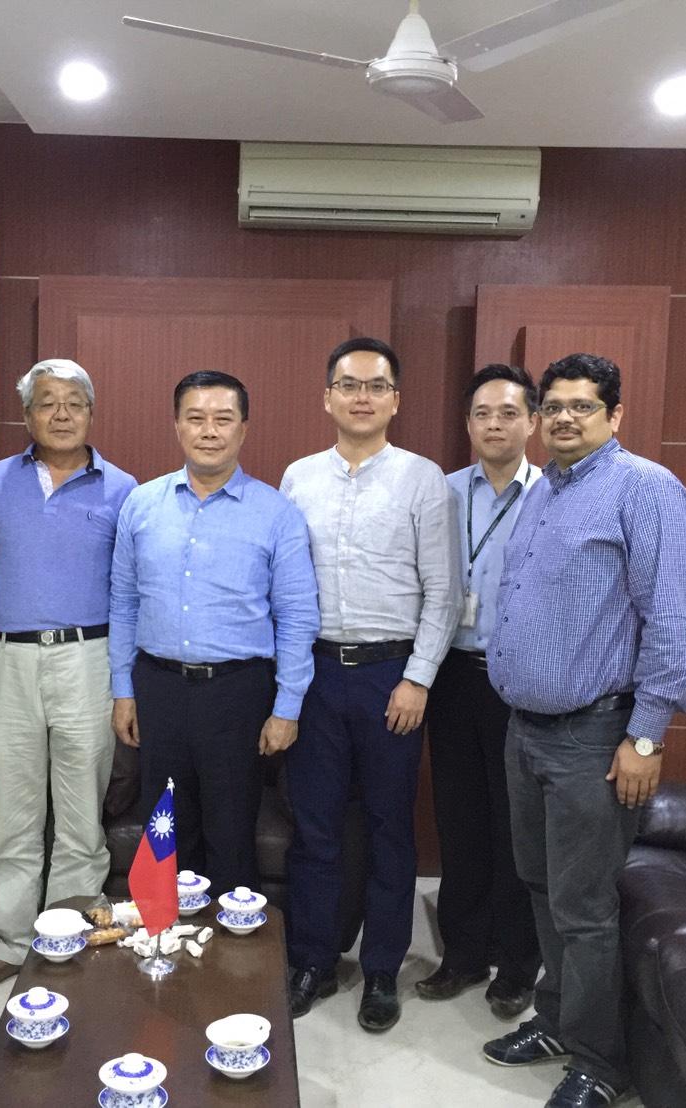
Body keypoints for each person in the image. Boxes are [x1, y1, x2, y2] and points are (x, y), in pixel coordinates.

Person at [481, 353, 686, 1108]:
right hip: (526, 729)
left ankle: (600, 1065)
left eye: (583, 406)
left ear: (615, 415)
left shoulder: (644, 489)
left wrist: (645, 737)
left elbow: (670, 617)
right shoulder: (543, 492)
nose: (565, 418)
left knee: (585, 907)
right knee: (542, 887)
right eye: (555, 407)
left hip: (593, 735)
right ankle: (557, 1022)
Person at [280, 337, 460, 1033]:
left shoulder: (423, 479)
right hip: (317, 673)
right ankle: (313, 960)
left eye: (376, 386)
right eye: (348, 385)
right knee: (315, 828)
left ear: (395, 400)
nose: (361, 396)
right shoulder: (298, 477)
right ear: (326, 397)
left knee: (390, 829)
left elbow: (442, 592)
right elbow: (287, 589)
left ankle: (382, 967)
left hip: (393, 677)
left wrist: (417, 680)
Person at [0, 359, 137, 995]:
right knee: (15, 813)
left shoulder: (123, 488)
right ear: (26, 416)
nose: (61, 414)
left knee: (83, 817)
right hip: (8, 658)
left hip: (89, 658)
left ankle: (65, 941)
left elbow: (130, 590)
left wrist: (124, 682)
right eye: (47, 403)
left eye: (74, 403)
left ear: (91, 412)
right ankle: (7, 943)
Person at [109, 371, 318, 895]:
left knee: (231, 829)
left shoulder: (277, 514)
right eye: (196, 418)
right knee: (166, 828)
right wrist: (122, 689)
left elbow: (297, 617)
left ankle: (231, 962)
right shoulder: (141, 505)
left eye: (223, 419)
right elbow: (123, 603)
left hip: (239, 692)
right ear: (177, 425)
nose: (209, 431)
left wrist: (287, 707)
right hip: (158, 686)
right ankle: (165, 950)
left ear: (243, 429)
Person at [416, 364, 542, 1020]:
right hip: (451, 675)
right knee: (460, 818)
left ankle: (517, 965)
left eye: (509, 412)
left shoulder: (552, 495)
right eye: (483, 414)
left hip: (518, 681)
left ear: (532, 421)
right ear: (468, 425)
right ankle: (462, 955)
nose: (495, 424)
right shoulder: (441, 492)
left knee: (515, 824)